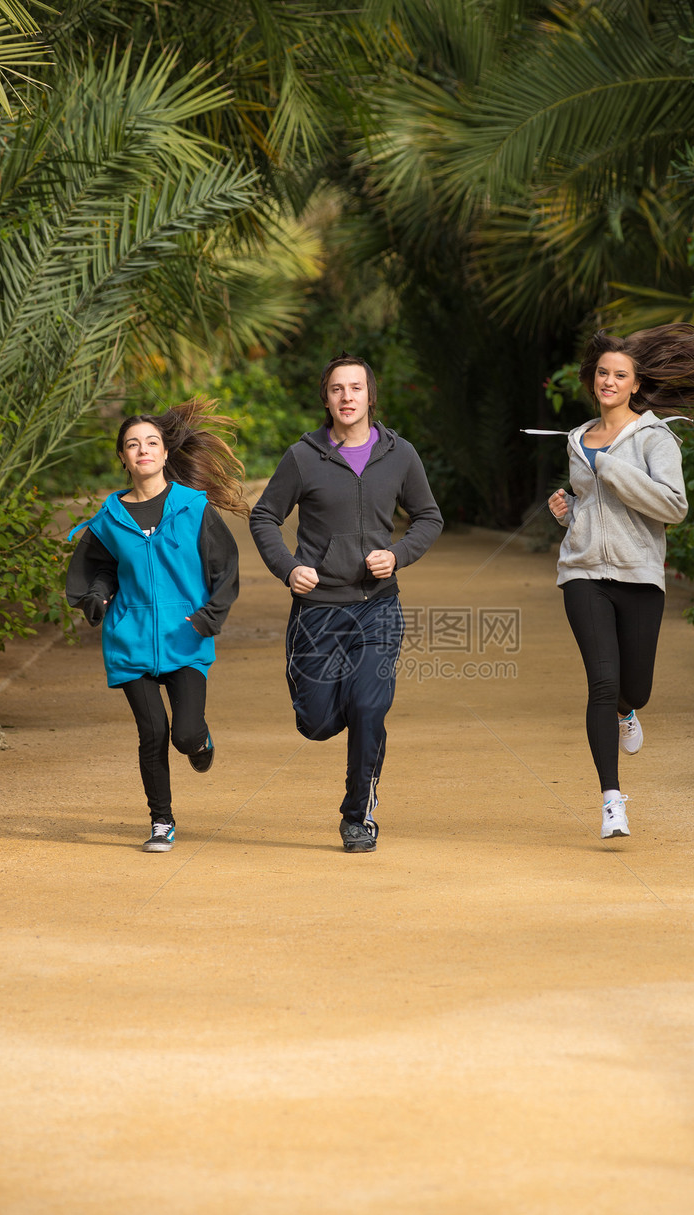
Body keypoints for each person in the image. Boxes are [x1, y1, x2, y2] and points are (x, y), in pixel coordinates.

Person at [548, 324, 694, 840]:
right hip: (582, 572)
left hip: (638, 576)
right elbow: (592, 510)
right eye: (602, 373)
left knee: (635, 688)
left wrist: (613, 469)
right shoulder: (577, 439)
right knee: (601, 682)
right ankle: (612, 799)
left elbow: (673, 507)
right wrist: (568, 513)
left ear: (635, 384)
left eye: (620, 375)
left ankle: (629, 711)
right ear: (592, 380)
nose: (609, 381)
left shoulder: (657, 438)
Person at [250, 352, 443, 853]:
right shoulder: (303, 456)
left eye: (356, 388)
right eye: (337, 389)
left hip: (378, 606)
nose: (347, 397)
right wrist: (289, 567)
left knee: (369, 706)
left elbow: (428, 517)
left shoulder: (401, 454)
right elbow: (264, 517)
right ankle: (334, 711)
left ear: (370, 395)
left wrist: (397, 555)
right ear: (326, 398)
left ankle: (357, 814)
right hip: (318, 610)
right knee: (316, 723)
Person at [66, 399, 245, 853]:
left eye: (151, 442)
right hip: (130, 641)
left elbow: (225, 568)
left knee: (184, 735)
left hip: (185, 637)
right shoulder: (109, 519)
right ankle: (161, 820)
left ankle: (201, 739)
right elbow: (100, 569)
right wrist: (97, 595)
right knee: (152, 734)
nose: (143, 450)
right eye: (132, 444)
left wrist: (208, 617)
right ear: (123, 458)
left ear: (166, 454)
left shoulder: (193, 508)